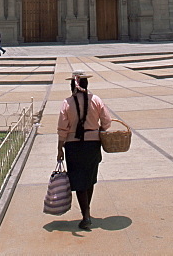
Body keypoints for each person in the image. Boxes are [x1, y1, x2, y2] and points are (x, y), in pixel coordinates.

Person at [57, 71, 111, 231]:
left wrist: (60, 148)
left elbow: (62, 128)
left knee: (79, 179)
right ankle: (87, 212)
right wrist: (98, 129)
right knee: (89, 177)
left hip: (73, 146)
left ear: (73, 86)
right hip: (93, 144)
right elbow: (107, 121)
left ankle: (85, 214)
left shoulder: (67, 103)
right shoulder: (96, 100)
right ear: (86, 85)